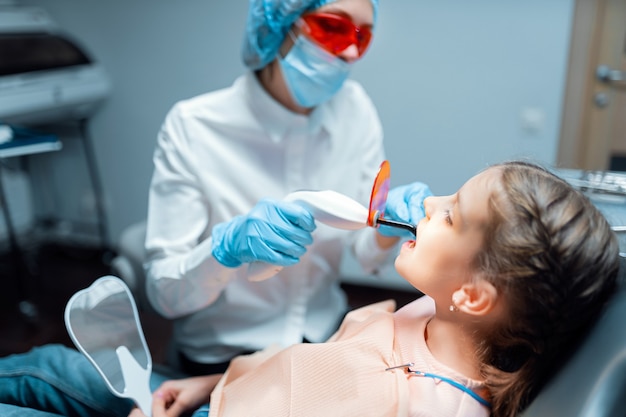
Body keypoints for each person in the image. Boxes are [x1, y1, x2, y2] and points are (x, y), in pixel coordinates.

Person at [0, 160, 619, 417]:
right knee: (57, 367)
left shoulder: (420, 404)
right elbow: (315, 367)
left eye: (451, 214)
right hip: (211, 398)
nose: (427, 203)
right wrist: (210, 385)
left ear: (478, 296)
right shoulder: (443, 316)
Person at [142, 0, 431, 377]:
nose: (348, 50)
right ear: (280, 26)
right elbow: (165, 295)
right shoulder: (194, 128)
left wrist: (384, 225)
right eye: (333, 27)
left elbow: (363, 252)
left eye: (362, 37)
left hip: (324, 339)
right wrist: (223, 251)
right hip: (223, 356)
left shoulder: (355, 111)